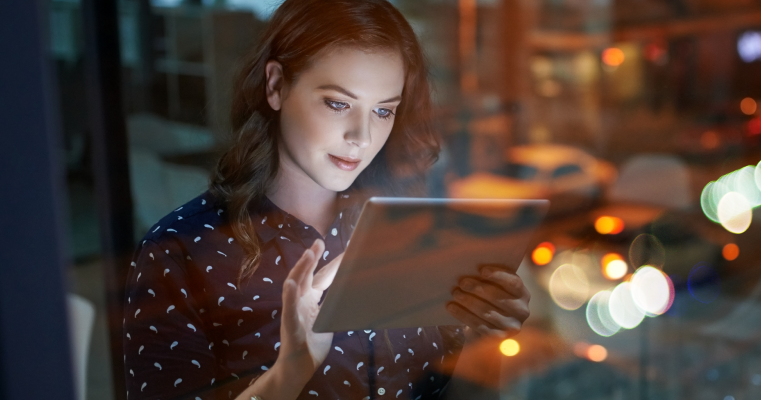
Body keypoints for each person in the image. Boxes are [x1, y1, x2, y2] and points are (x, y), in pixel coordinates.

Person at [120, 0, 531, 398]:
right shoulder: (178, 253)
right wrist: (290, 373)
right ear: (276, 85)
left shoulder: (410, 231)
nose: (362, 137)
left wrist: (483, 339)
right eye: (338, 104)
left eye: (383, 111)